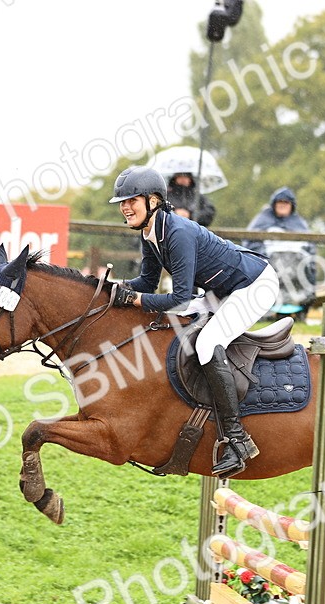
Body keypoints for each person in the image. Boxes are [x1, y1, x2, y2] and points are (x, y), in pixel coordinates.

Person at [109, 166, 278, 478]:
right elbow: (147, 282)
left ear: (153, 200)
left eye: (132, 199)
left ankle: (238, 438)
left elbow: (181, 296)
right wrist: (113, 288)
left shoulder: (177, 232)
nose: (125, 206)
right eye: (122, 201)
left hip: (254, 286)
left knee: (207, 343)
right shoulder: (150, 233)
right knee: (175, 329)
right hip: (222, 289)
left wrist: (133, 300)